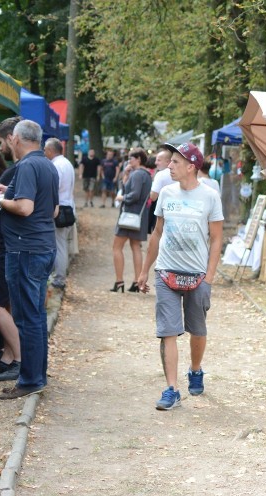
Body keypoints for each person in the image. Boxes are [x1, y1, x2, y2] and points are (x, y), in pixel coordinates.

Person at [137, 142, 223, 410]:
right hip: (166, 272)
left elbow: (217, 239)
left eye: (175, 162)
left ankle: (195, 369)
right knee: (168, 332)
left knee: (197, 329)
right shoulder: (166, 193)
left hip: (197, 275)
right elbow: (157, 233)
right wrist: (144, 270)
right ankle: (171, 389)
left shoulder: (210, 196)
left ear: (191, 166)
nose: (169, 166)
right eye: (170, 161)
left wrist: (208, 277)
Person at [0, 120, 58, 399]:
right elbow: (54, 210)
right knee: (35, 317)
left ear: (17, 139)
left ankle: (31, 380)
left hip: (25, 250)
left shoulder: (25, 166)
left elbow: (24, 207)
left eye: (9, 140)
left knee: (27, 318)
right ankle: (37, 376)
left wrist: (0, 200)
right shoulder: (47, 164)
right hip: (42, 246)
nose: (7, 143)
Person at [0, 117, 22, 382]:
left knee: (1, 305)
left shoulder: (18, 170)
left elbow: (25, 207)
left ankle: (18, 358)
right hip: (11, 245)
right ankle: (10, 356)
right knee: (6, 304)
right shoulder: (23, 168)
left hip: (6, 245)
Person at [111, 148, 152, 293]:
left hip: (129, 215)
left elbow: (133, 195)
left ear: (139, 159)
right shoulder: (146, 175)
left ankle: (119, 281)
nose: (129, 160)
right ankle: (137, 282)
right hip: (140, 216)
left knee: (117, 247)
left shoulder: (138, 174)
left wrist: (122, 198)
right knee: (136, 247)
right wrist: (125, 176)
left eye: (131, 158)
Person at [43, 138, 76, 291]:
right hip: (68, 207)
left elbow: (53, 189)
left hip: (60, 209)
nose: (44, 152)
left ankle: (59, 278)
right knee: (62, 244)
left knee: (59, 245)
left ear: (50, 150)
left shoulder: (56, 166)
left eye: (45, 150)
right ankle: (60, 275)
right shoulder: (67, 163)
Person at [148, 148, 174, 233]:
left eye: (158, 160)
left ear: (167, 161)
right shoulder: (180, 173)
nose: (155, 163)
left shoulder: (161, 174)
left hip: (162, 211)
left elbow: (153, 197)